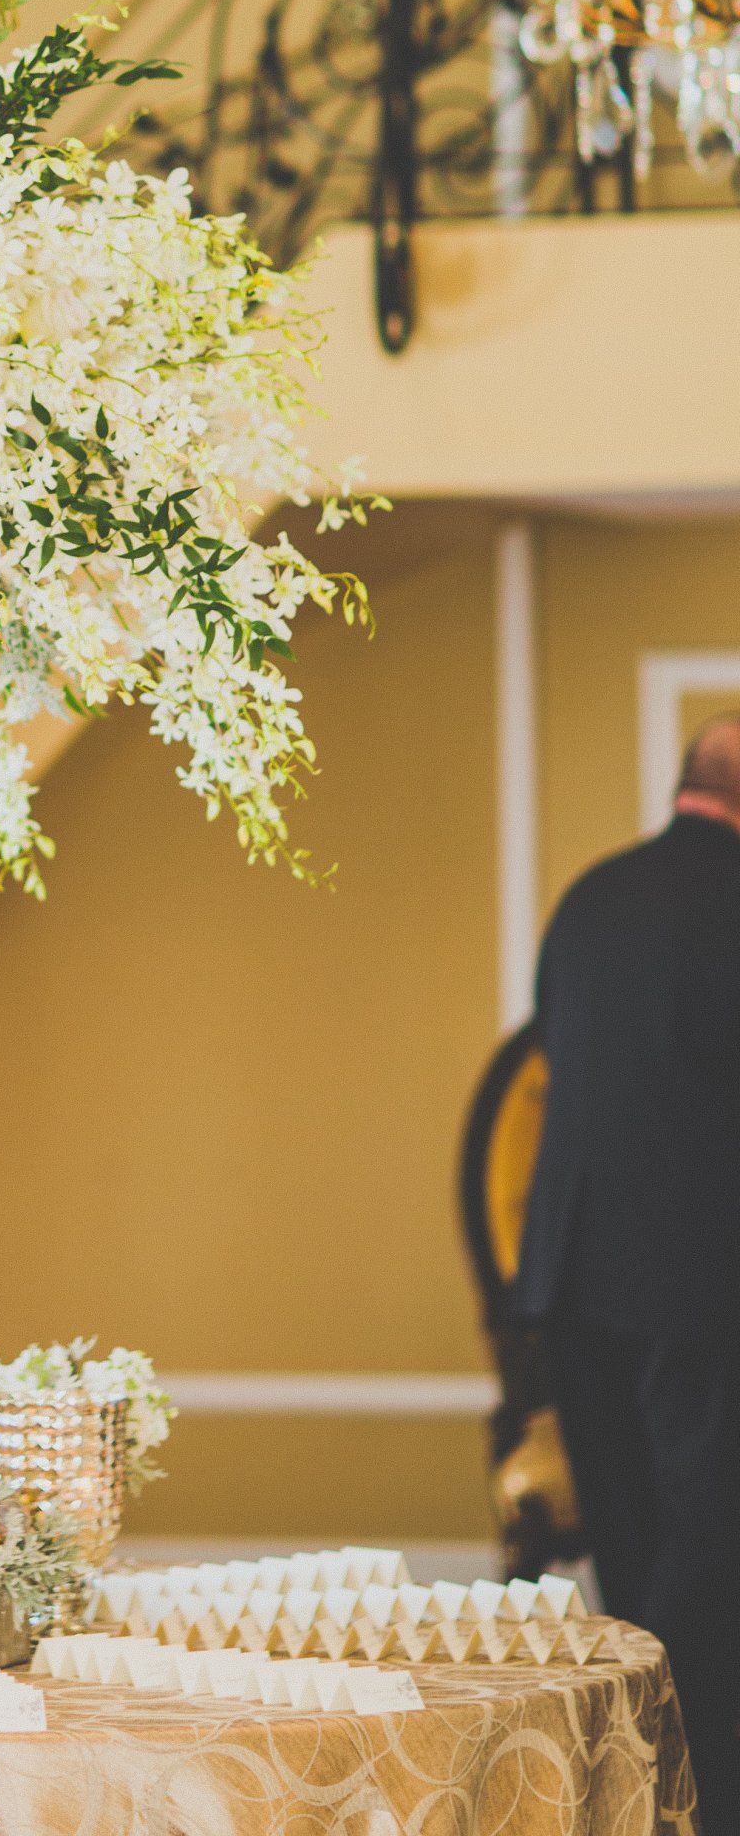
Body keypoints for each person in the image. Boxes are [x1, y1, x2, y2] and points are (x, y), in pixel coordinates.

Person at [516, 712, 740, 1836]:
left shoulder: (590, 897)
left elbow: (560, 1061)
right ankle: (709, 1793)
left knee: (633, 1543)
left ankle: (631, 1786)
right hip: (705, 1281)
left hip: (572, 1270)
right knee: (711, 1547)